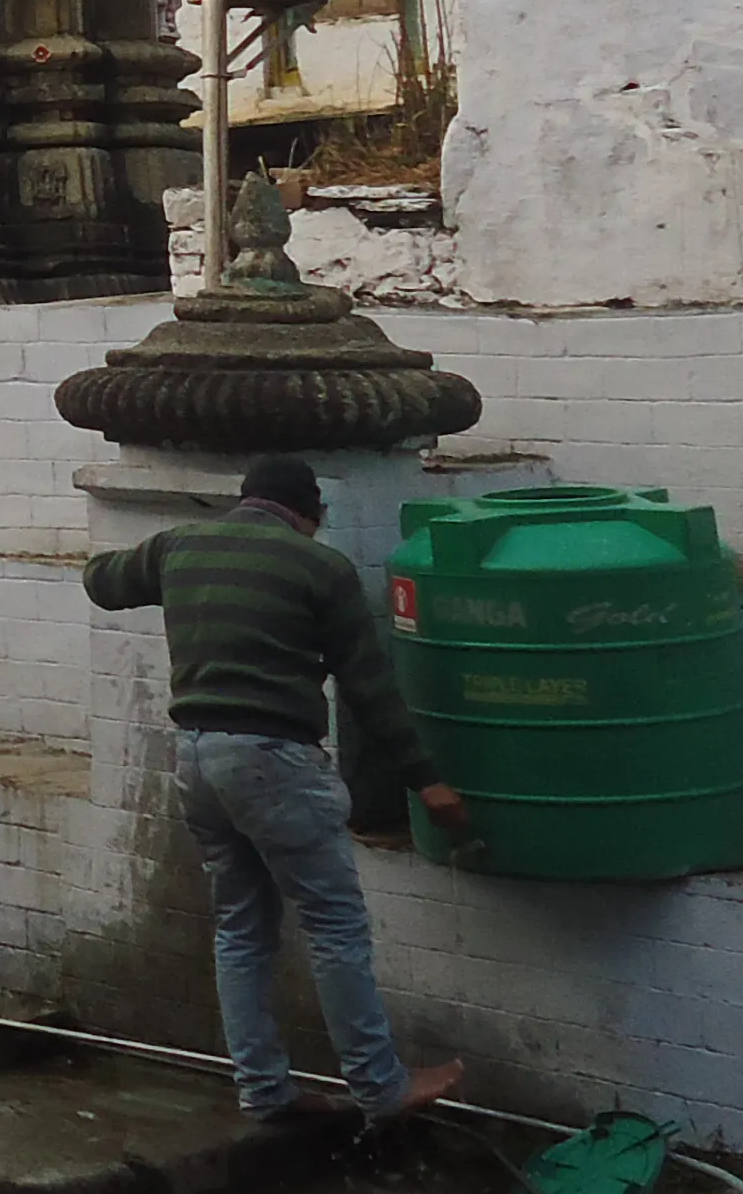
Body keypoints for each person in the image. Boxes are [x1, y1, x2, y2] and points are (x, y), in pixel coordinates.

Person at [83, 453, 467, 1125]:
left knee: (241, 926)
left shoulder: (181, 545)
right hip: (274, 761)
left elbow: (101, 580)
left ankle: (263, 1090)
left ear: (246, 500)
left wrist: (164, 564)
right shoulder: (321, 567)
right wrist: (427, 780)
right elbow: (369, 688)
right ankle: (380, 1085)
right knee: (334, 925)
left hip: (198, 757)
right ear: (310, 512)